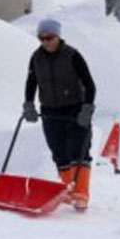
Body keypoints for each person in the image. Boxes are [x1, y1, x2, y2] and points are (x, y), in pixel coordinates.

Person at [22, 18, 97, 212]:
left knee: (77, 151)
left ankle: (80, 194)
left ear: (58, 36)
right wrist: (29, 104)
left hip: (75, 111)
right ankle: (68, 191)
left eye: (50, 37)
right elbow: (31, 83)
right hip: (50, 113)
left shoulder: (72, 55)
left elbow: (90, 85)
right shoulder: (36, 57)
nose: (46, 42)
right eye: (42, 38)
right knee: (59, 153)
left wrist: (87, 109)